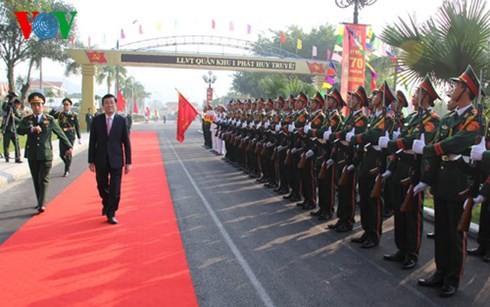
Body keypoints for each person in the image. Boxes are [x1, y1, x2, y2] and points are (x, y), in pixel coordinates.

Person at [414, 65, 484, 297]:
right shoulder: (448, 119)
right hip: (443, 181)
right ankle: (440, 271)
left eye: (456, 85)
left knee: (455, 234)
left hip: (459, 183)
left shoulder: (476, 119)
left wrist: (428, 149)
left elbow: (459, 142)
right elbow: (440, 151)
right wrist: (426, 179)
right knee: (442, 231)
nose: (452, 89)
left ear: (466, 90)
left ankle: (452, 279)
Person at [17, 92, 73, 213]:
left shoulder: (50, 120)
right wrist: (31, 129)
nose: (37, 107)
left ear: (43, 105)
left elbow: (61, 133)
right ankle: (39, 200)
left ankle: (42, 204)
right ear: (31, 106)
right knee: (36, 178)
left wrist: (68, 146)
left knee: (44, 178)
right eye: (34, 105)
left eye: (39, 104)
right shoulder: (28, 120)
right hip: (32, 154)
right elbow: (19, 130)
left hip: (45, 153)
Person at [88, 94, 132, 225]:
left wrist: (128, 162)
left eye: (111, 103)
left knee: (115, 190)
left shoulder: (121, 121)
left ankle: (111, 213)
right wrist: (91, 161)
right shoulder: (96, 120)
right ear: (103, 105)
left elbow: (126, 143)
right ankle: (106, 203)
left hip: (116, 160)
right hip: (100, 159)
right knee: (101, 186)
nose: (109, 105)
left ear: (115, 104)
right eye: (106, 103)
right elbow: (92, 142)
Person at [52, 98, 81, 177]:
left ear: (70, 106)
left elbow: (77, 126)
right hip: (62, 135)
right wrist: (55, 109)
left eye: (67, 105)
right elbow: (50, 116)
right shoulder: (60, 114)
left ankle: (66, 170)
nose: (66, 106)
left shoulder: (74, 115)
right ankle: (67, 164)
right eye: (64, 105)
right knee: (61, 154)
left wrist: (79, 137)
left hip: (70, 136)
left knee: (68, 153)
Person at [2, 93, 23, 163]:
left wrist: (15, 117)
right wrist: (6, 100)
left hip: (14, 130)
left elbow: (20, 120)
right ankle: (6, 157)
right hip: (7, 129)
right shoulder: (9, 108)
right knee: (6, 144)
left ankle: (17, 157)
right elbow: (4, 107)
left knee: (17, 144)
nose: (17, 106)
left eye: (18, 104)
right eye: (16, 104)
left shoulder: (18, 112)